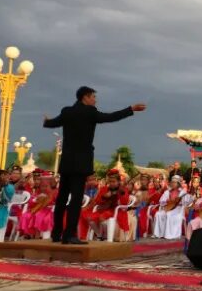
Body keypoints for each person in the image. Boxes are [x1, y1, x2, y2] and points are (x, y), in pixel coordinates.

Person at [43, 86, 145, 244]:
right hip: (81, 162)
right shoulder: (90, 112)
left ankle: (56, 234)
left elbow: (52, 123)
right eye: (93, 97)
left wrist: (47, 121)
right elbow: (110, 117)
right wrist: (130, 109)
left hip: (67, 162)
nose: (95, 100)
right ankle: (69, 235)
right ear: (85, 97)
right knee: (76, 199)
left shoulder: (67, 111)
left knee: (62, 198)